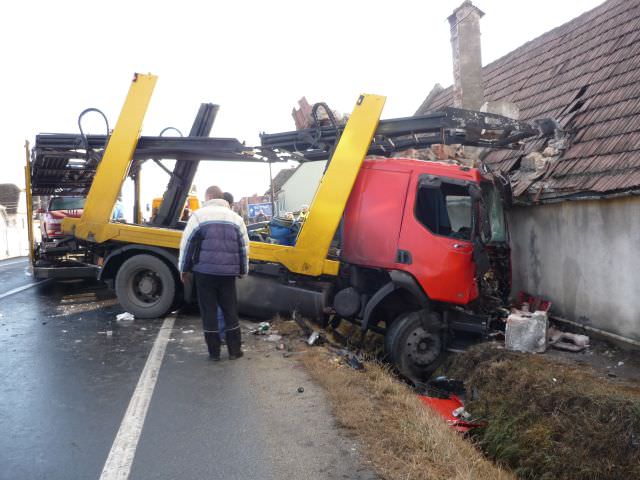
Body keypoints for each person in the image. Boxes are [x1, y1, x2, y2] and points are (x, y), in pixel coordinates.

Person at [178, 186, 249, 360]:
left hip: (204, 272)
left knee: (209, 311)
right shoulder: (236, 218)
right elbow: (244, 248)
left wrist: (184, 269)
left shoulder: (198, 216)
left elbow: (187, 245)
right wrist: (242, 270)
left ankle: (214, 353)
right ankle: (234, 351)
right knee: (230, 310)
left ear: (208, 197)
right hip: (227, 274)